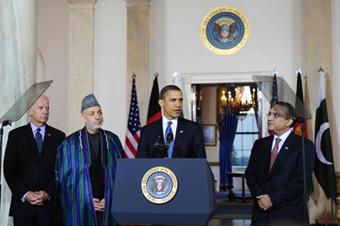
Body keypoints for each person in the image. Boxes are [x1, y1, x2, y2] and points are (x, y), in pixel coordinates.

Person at [55, 94, 123, 226]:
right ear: (83, 117)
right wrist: (85, 199)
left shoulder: (113, 140)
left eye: (100, 112)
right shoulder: (69, 145)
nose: (97, 117)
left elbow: (122, 176)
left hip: (108, 207)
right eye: (92, 113)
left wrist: (110, 198)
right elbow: (62, 183)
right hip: (81, 210)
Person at [245, 102, 315, 226]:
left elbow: (300, 182)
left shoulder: (304, 146)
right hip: (261, 215)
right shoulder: (260, 144)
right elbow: (250, 174)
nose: (270, 118)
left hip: (289, 215)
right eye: (269, 114)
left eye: (276, 115)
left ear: (289, 121)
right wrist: (260, 197)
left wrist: (272, 198)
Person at [3, 95, 65, 226]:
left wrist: (47, 193)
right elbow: (9, 170)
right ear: (30, 111)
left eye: (47, 108)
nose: (45, 111)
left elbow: (61, 170)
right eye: (41, 107)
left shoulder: (59, 136)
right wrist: (25, 194)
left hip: (49, 209)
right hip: (23, 208)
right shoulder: (15, 136)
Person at [137, 85, 206, 158]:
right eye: (173, 100)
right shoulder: (147, 131)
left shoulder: (193, 129)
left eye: (180, 100)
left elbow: (200, 161)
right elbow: (141, 162)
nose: (178, 104)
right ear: (161, 103)